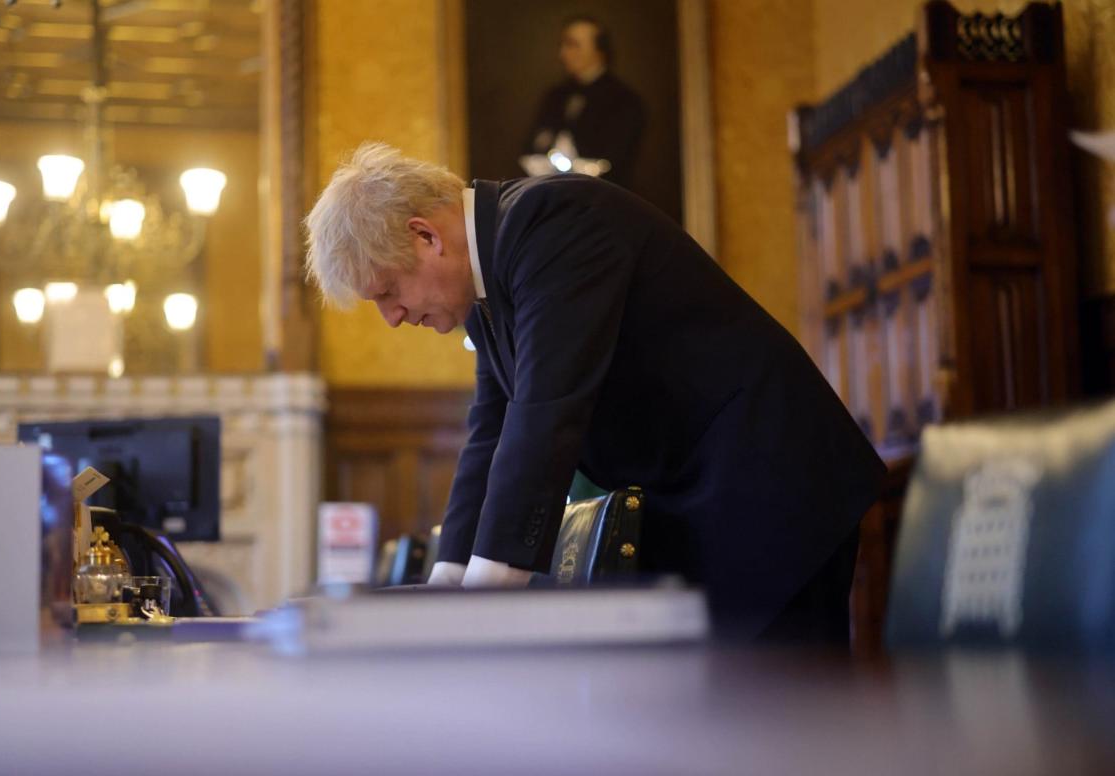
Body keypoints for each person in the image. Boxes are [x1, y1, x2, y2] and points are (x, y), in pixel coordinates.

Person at [304, 143, 886, 645]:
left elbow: (545, 415)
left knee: (786, 731)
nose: (392, 317)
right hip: (711, 499)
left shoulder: (554, 221)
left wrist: (478, 606)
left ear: (426, 236)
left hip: (772, 489)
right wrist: (448, 580)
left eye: (387, 291)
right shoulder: (488, 293)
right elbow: (492, 434)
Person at [522, 16, 645, 190]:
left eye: (573, 45)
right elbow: (534, 145)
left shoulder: (624, 101)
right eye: (563, 45)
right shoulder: (555, 97)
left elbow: (615, 160)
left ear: (599, 50)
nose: (563, 53)